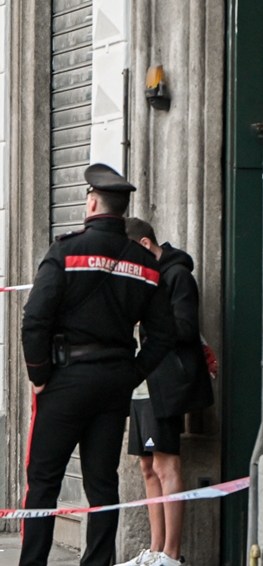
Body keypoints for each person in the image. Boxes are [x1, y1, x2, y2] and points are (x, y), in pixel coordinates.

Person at [19, 164, 175, 566]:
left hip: (65, 379)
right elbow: (163, 336)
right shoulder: (145, 263)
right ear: (122, 210)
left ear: (91, 203)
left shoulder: (65, 252)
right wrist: (132, 374)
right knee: (103, 484)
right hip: (114, 384)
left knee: (43, 482)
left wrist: (39, 375)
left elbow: (35, 320)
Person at [115, 218, 214, 566]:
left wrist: (146, 318)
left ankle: (171, 555)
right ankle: (154, 550)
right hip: (141, 383)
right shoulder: (142, 280)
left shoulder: (177, 275)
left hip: (165, 383)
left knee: (165, 463)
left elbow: (185, 327)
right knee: (147, 466)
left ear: (145, 245)